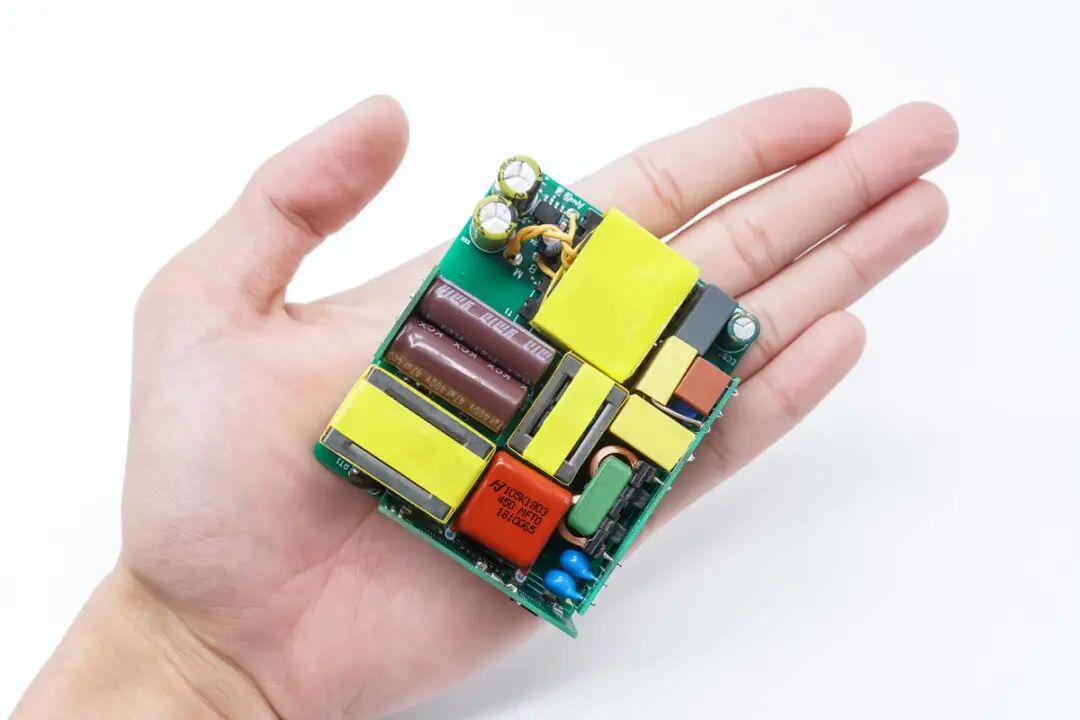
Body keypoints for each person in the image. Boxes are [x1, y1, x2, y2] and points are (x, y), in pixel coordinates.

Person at [13, 90, 957, 719]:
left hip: (561, 474)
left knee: (631, 408)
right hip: (503, 488)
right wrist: (182, 654)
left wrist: (183, 667)